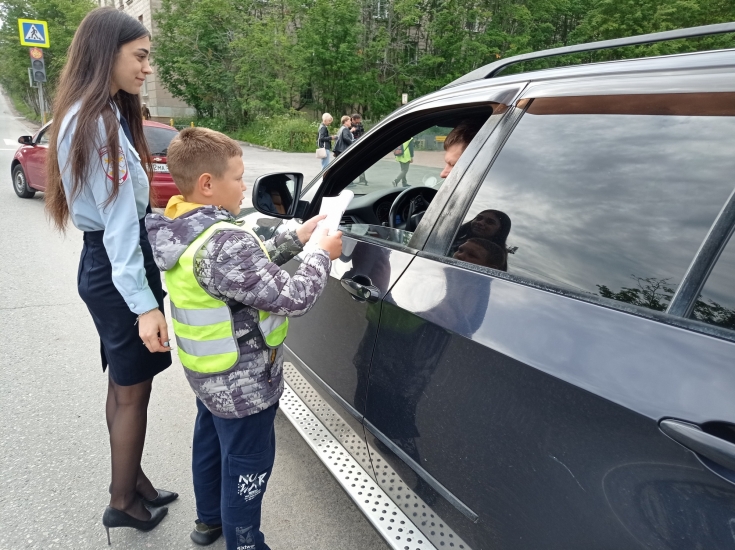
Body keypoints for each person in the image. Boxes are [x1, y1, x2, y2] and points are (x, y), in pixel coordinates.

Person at [145, 127, 343, 550]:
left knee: (211, 446)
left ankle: (209, 521)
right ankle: (246, 542)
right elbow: (292, 296)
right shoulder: (227, 241)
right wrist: (321, 255)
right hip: (246, 384)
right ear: (208, 184)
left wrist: (298, 238)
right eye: (238, 177)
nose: (245, 186)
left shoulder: (184, 228)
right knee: (248, 467)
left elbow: (238, 277)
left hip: (209, 375)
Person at [45, 7, 175, 543]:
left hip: (108, 266)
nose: (147, 68)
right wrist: (145, 306)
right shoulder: (98, 121)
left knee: (125, 385)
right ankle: (122, 501)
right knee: (131, 390)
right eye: (140, 56)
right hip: (119, 270)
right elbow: (121, 227)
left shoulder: (90, 112)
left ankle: (133, 479)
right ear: (107, 54)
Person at [350, 113, 368, 184]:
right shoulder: (350, 126)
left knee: (361, 162)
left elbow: (362, 133)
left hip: (360, 144)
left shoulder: (360, 125)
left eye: (359, 121)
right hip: (353, 145)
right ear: (353, 120)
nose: (358, 122)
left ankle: (362, 178)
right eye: (357, 121)